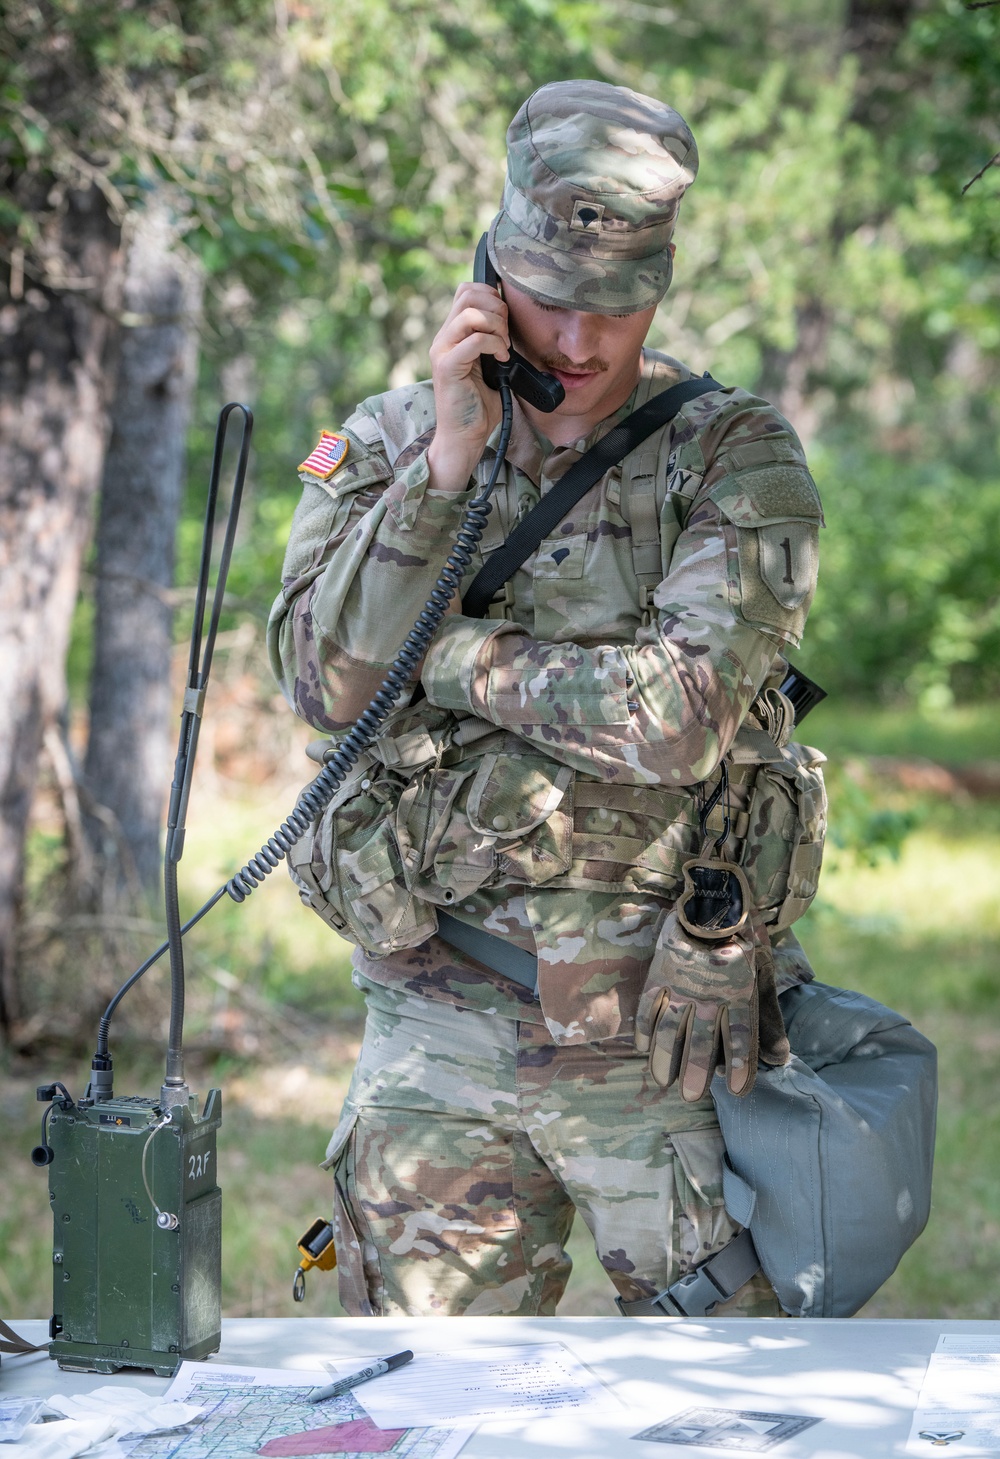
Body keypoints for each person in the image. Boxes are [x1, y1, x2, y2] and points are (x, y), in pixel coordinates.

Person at [268, 79, 825, 1319]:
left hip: (661, 1038)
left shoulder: (732, 453)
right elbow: (321, 680)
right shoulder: (387, 441)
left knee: (727, 1410)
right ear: (489, 276)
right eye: (553, 303)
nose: (580, 346)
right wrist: (445, 468)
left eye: (617, 310)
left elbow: (675, 720)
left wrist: (449, 658)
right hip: (434, 1031)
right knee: (411, 1405)